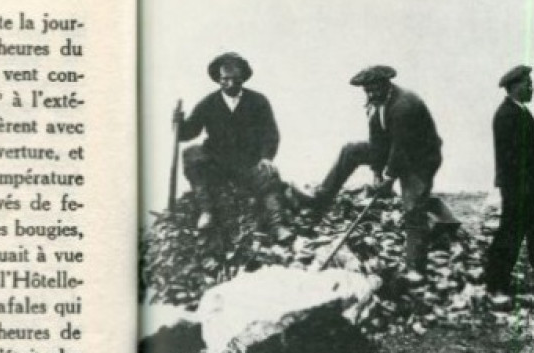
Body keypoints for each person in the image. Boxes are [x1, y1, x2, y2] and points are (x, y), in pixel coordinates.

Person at [309, 65, 443, 274]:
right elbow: (378, 140)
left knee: (413, 209)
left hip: (419, 158)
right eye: (367, 90)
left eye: (375, 89)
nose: (371, 93)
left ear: (386, 84)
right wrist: (376, 172)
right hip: (393, 149)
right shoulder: (375, 102)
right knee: (351, 151)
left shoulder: (404, 105)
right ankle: (321, 199)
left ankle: (414, 267)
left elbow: (401, 147)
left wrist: (388, 177)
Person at [174, 52, 283, 234]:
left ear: (243, 79)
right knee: (191, 154)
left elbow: (270, 133)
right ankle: (207, 211)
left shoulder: (258, 101)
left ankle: (278, 225)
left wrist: (266, 157)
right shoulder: (208, 103)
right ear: (218, 79)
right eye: (225, 79)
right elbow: (189, 131)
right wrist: (178, 124)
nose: (230, 84)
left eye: (236, 79)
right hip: (218, 164)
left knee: (269, 175)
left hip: (248, 163)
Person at [483, 64, 534, 297]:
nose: (532, 89)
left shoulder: (519, 112)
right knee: (511, 234)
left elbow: (526, 147)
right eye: (528, 85)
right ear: (514, 87)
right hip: (519, 185)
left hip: (528, 183)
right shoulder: (508, 115)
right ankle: (496, 283)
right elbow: (522, 154)